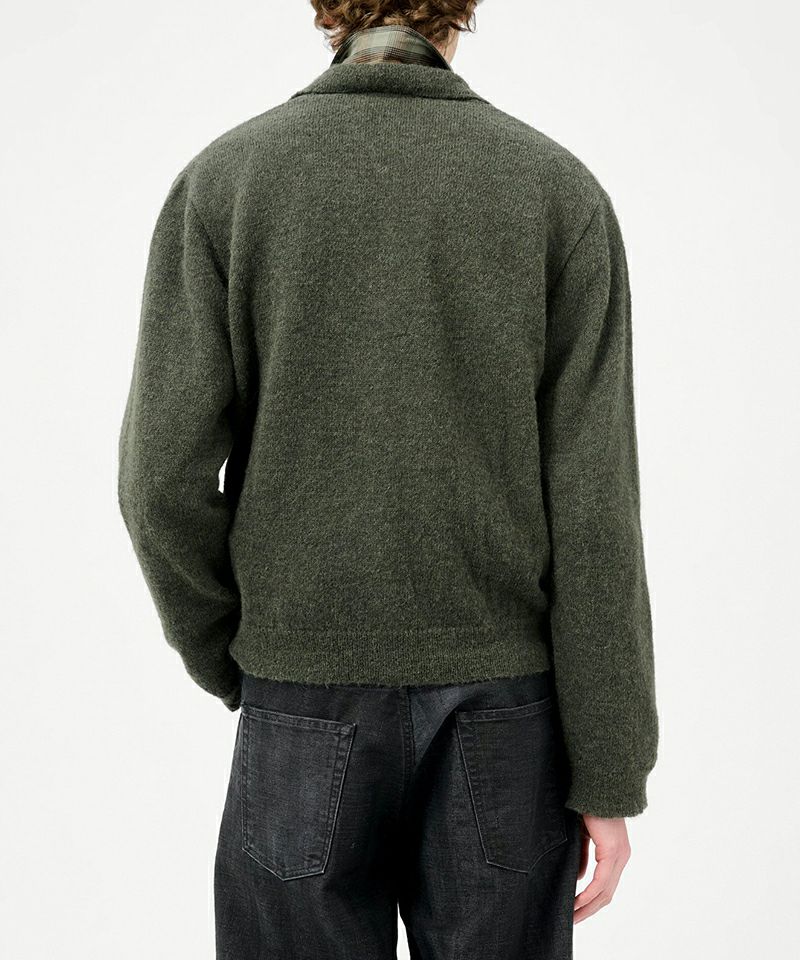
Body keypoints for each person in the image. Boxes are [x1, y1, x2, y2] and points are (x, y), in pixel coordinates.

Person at [117, 2, 658, 957]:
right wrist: (609, 771)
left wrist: (237, 653)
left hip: (302, 689)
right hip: (504, 710)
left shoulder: (229, 180)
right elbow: (595, 506)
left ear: (326, 9)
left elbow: (159, 481)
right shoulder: (553, 188)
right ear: (463, 9)